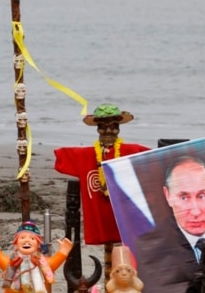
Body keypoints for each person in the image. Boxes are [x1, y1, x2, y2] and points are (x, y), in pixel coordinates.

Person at [54, 103, 150, 280]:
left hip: (124, 215)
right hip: (100, 216)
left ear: (118, 129)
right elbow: (61, 158)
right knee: (109, 261)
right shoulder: (86, 155)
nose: (108, 132)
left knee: (126, 259)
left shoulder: (131, 152)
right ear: (97, 129)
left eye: (113, 127)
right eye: (102, 127)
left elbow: (156, 159)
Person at [134, 156, 205, 293]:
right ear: (168, 196)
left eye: (202, 196)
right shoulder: (151, 247)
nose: (195, 211)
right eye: (184, 198)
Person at [0, 220, 73, 293]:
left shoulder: (43, 263)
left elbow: (53, 263)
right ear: (16, 243)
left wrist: (63, 252)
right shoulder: (12, 262)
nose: (27, 240)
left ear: (38, 244)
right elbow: (1, 259)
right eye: (22, 238)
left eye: (32, 238)